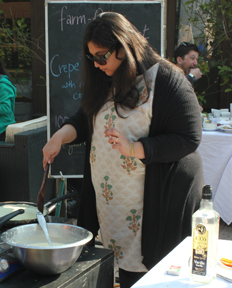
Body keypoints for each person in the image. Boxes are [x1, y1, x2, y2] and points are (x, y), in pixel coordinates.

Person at [43, 12, 204, 288]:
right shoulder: (107, 79)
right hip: (113, 208)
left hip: (153, 206)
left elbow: (189, 137)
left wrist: (135, 148)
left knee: (149, 275)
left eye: (101, 56)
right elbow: (85, 119)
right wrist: (59, 136)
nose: (96, 64)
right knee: (123, 270)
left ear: (124, 47)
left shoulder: (167, 80)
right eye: (92, 57)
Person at [174, 42, 203, 111]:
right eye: (192, 58)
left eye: (196, 59)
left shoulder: (184, 77)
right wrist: (191, 76)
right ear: (179, 60)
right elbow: (178, 92)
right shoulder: (171, 74)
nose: (195, 63)